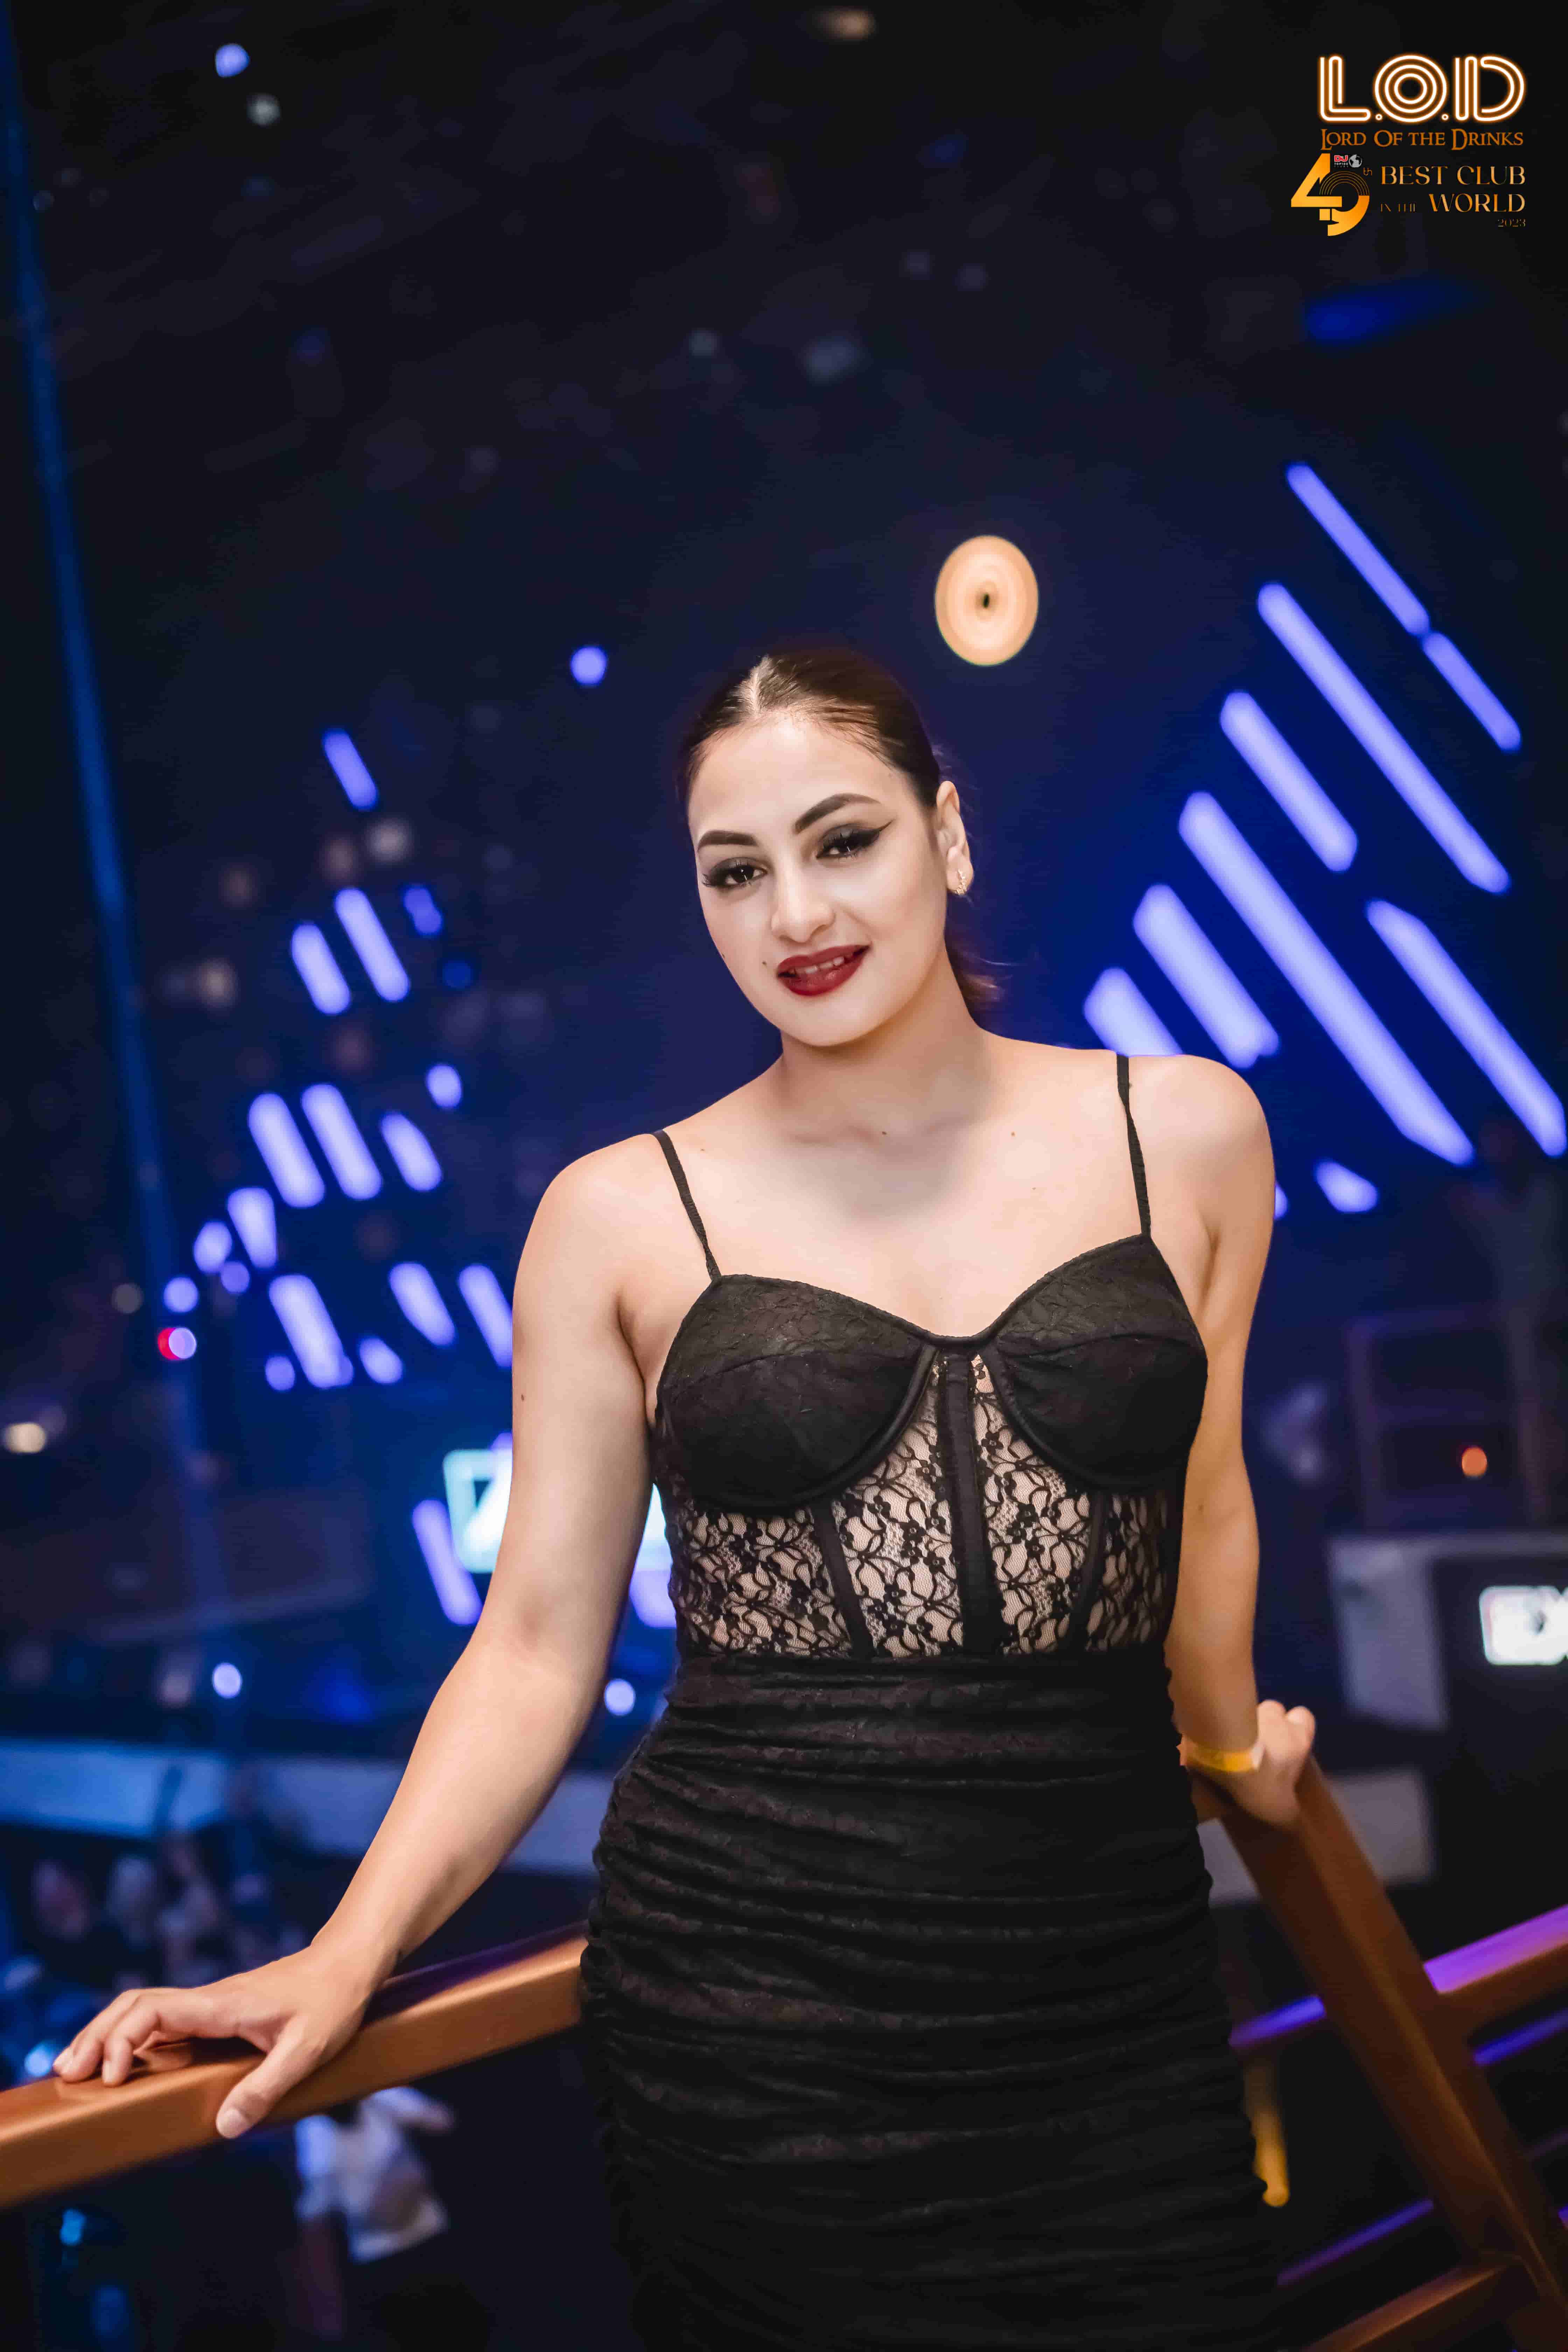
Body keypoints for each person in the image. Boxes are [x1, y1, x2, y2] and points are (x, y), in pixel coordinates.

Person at [56, 642, 1315, 2350]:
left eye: (844, 839)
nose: (795, 910)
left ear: (948, 835)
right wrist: (342, 1958)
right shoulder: (619, 1216)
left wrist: (1235, 1754)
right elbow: (533, 1645)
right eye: (736, 871)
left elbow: (1202, 1508)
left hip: (1110, 1988)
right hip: (758, 2007)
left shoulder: (1188, 1131)